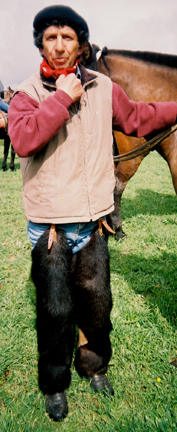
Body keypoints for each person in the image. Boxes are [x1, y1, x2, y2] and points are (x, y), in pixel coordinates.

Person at [8, 5, 177, 422]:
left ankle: (94, 366)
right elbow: (25, 139)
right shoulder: (29, 93)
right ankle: (55, 383)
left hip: (93, 222)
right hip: (50, 228)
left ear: (81, 44)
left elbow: (138, 118)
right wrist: (63, 98)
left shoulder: (103, 86)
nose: (61, 45)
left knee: (98, 307)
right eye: (51, 38)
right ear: (41, 44)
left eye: (68, 37)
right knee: (55, 312)